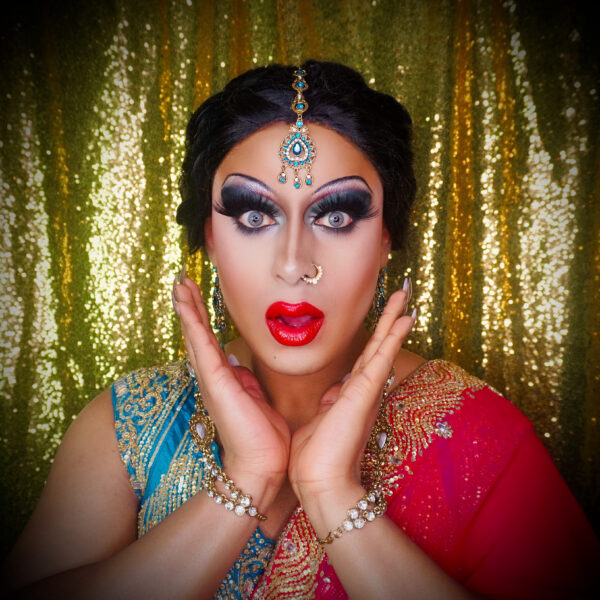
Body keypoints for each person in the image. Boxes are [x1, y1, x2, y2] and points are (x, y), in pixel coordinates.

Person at [3, 60, 598, 599]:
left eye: (336, 215)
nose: (293, 264)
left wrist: (333, 495)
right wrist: (246, 482)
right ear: (209, 236)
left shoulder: (479, 438)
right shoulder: (128, 425)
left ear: (387, 235)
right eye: (254, 216)